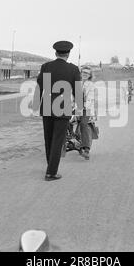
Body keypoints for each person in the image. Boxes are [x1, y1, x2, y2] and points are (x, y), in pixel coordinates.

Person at [34, 40, 81, 181]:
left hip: (47, 107)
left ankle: (51, 166)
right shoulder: (73, 69)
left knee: (48, 139)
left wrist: (36, 105)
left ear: (55, 53)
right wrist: (80, 109)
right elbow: (78, 92)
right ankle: (51, 172)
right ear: (68, 54)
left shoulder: (45, 67)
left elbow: (40, 87)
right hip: (63, 108)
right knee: (57, 140)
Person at [77, 66, 98, 160]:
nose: (84, 74)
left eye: (87, 73)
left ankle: (86, 149)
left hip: (86, 108)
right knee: (66, 121)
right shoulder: (77, 83)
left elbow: (90, 99)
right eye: (83, 72)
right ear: (81, 73)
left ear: (90, 75)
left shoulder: (91, 85)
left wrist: (83, 105)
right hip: (76, 106)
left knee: (83, 124)